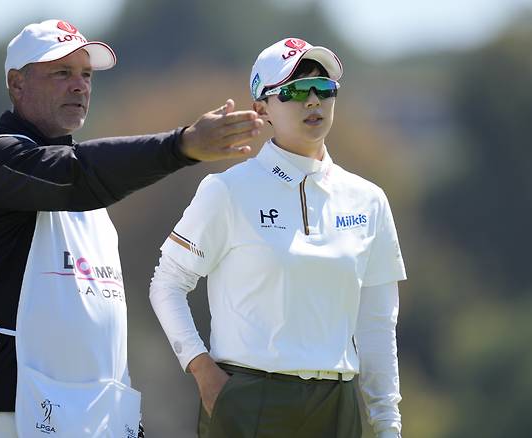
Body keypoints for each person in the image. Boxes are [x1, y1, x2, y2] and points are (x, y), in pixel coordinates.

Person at [0, 19, 263, 438]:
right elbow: (74, 176)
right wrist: (181, 146)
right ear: (16, 84)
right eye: (62, 73)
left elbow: (100, 324)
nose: (80, 86)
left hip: (88, 418)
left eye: (86, 75)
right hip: (6, 415)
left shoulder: (85, 197)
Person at [149, 37, 407, 438]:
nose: (312, 102)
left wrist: (387, 421)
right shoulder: (228, 189)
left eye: (323, 89)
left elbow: (376, 324)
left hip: (338, 406)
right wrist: (203, 372)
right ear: (261, 108)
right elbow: (167, 284)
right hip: (248, 398)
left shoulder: (369, 199)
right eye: (295, 91)